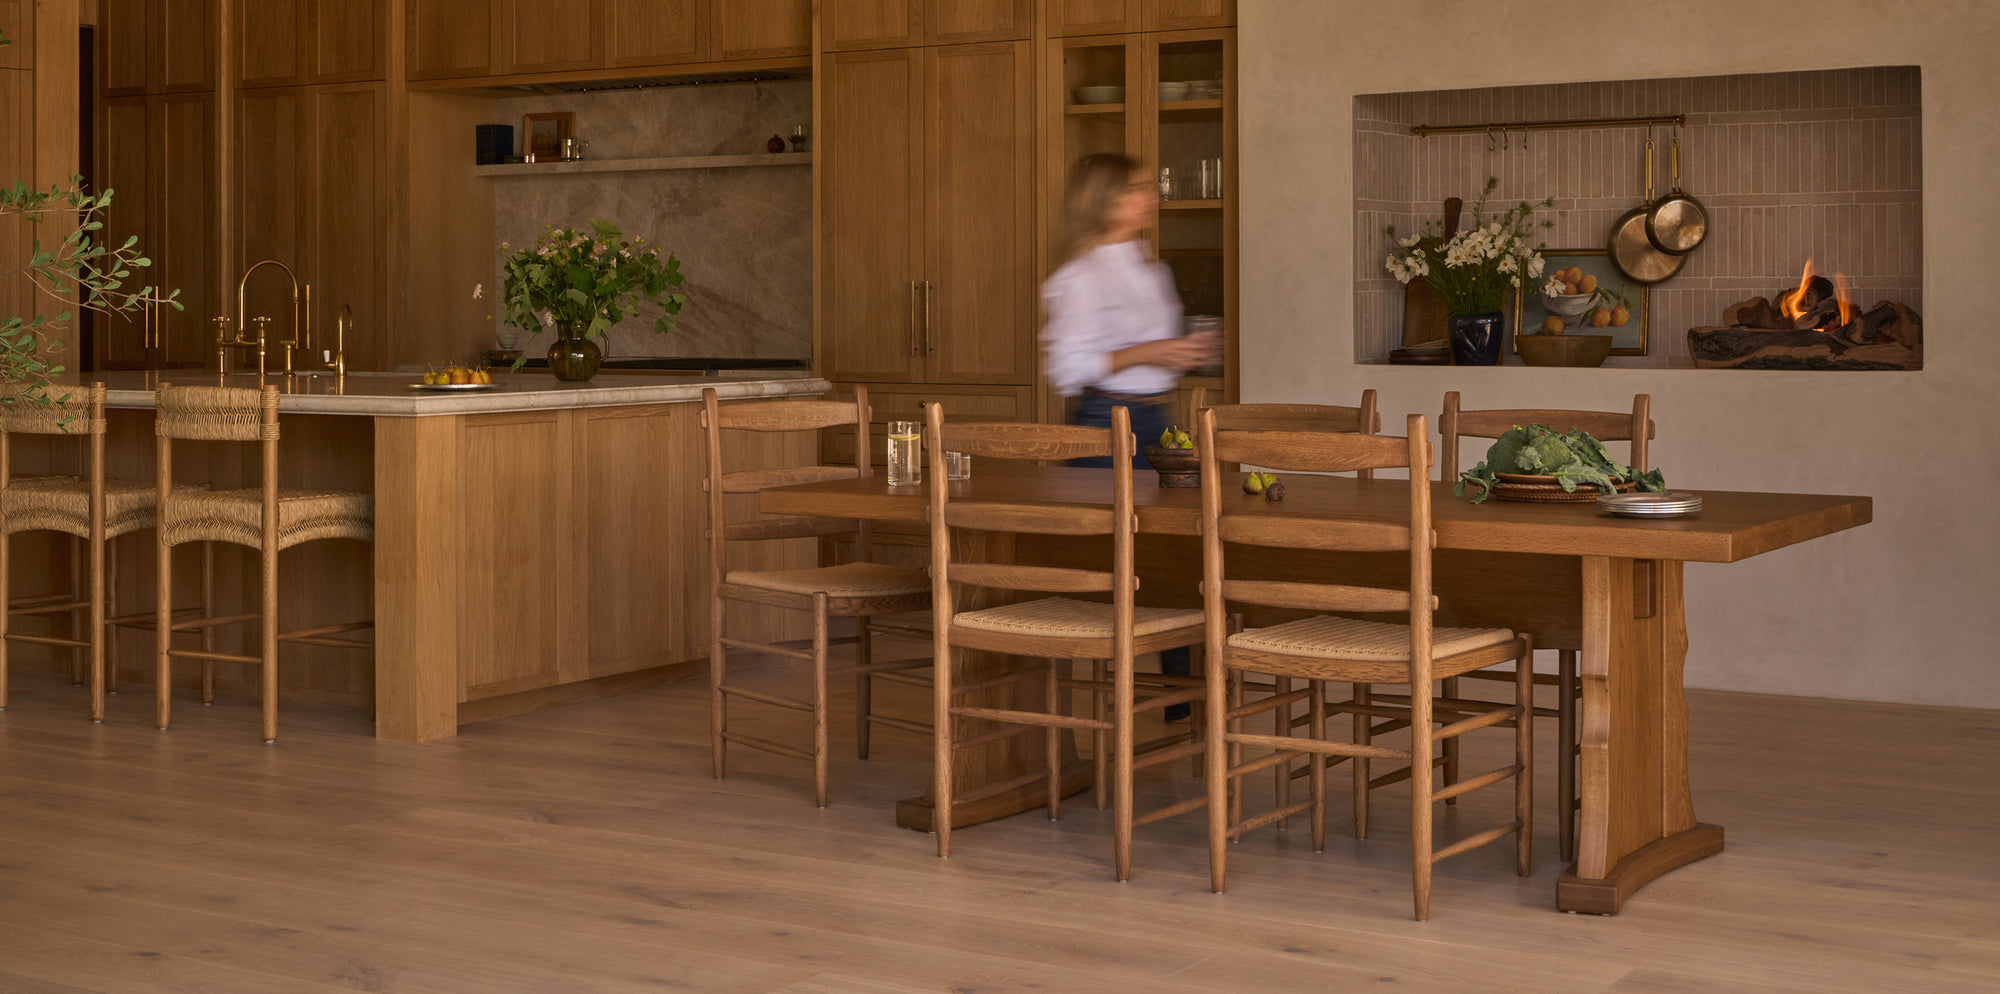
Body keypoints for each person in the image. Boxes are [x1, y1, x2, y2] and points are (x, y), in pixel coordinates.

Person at [1040, 153, 1220, 717]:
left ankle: (1182, 700)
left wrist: (1181, 354)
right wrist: (1155, 350)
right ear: (1103, 201)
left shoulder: (1152, 269)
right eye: (1135, 190)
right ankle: (1102, 694)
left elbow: (1150, 353)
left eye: (1147, 187)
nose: (1149, 198)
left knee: (1179, 552)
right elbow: (1066, 369)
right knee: (1117, 559)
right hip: (1105, 422)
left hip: (1158, 419)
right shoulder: (1079, 276)